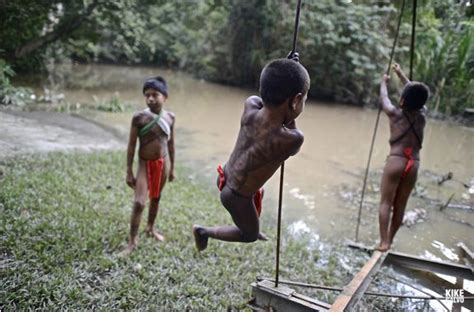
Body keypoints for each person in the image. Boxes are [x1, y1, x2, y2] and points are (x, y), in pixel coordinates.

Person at [192, 58, 310, 251]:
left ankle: (249, 221)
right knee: (249, 235)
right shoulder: (293, 139)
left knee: (250, 211)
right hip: (237, 195)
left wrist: (287, 71)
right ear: (296, 101)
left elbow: (271, 95)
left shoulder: (251, 106)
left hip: (226, 175)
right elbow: (289, 130)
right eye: (304, 99)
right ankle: (203, 231)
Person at [376, 63, 429, 252]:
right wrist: (400, 74)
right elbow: (415, 92)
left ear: (402, 101)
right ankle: (390, 240)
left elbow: (384, 98)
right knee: (400, 205)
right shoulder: (423, 114)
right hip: (413, 163)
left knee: (385, 202)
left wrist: (384, 82)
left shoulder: (395, 114)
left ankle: (383, 242)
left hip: (396, 160)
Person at [120, 76, 175, 256]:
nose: (150, 98)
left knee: (156, 198)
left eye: (155, 95)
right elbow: (131, 145)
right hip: (144, 163)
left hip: (163, 162)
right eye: (147, 95)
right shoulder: (139, 118)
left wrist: (172, 168)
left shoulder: (170, 118)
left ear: (164, 97)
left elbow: (171, 144)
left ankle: (150, 228)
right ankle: (132, 241)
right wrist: (129, 171)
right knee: (139, 202)